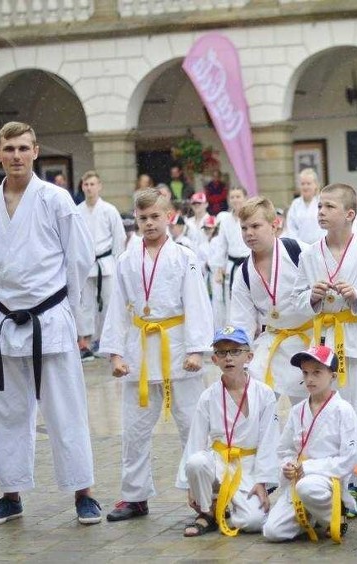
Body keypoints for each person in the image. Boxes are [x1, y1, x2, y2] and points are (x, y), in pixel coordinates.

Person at [0, 121, 101, 527]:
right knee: (7, 413)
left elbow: (79, 260)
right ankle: (10, 494)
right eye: (8, 148)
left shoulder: (55, 199)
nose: (16, 155)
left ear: (35, 151)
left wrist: (70, 313)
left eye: (23, 148)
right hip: (5, 322)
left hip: (50, 318)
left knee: (66, 410)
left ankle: (84, 492)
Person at [100, 187, 213, 522]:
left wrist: (196, 349)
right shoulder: (126, 259)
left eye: (155, 217)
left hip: (178, 349)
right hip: (139, 351)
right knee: (134, 429)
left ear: (169, 217)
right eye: (142, 217)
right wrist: (115, 354)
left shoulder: (185, 257)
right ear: (134, 219)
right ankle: (134, 496)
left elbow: (197, 303)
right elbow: (117, 308)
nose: (149, 223)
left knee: (193, 424)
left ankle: (204, 495)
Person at [293, 183, 357, 516]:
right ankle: (326, 484)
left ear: (350, 214)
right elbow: (294, 302)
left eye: (329, 206)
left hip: (355, 340)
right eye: (319, 206)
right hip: (322, 344)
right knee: (324, 414)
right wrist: (311, 297)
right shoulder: (309, 254)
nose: (321, 212)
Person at [179, 326, 280, 537]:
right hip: (218, 461)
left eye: (235, 351)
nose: (229, 358)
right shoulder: (208, 396)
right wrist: (192, 483)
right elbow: (195, 440)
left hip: (248, 465)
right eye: (222, 352)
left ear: (249, 356)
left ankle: (226, 507)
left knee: (251, 522)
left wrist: (262, 482)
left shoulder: (264, 394)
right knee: (196, 462)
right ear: (214, 359)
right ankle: (207, 512)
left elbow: (270, 441)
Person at [262, 344, 357, 542]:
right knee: (273, 532)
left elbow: (350, 458)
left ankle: (334, 516)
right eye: (305, 373)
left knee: (307, 487)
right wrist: (288, 465)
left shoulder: (344, 410)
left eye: (317, 372)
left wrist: (307, 467)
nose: (310, 379)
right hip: (298, 478)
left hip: (326, 481)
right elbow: (284, 449)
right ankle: (309, 515)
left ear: (333, 375)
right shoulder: (298, 410)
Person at [230, 197, 312, 405]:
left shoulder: (299, 251)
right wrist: (238, 356)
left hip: (307, 340)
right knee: (257, 403)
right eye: (244, 228)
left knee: (306, 410)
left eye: (256, 226)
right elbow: (242, 320)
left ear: (274, 224)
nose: (249, 233)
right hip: (273, 339)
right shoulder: (244, 272)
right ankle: (266, 437)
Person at [76, 170, 126, 361]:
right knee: (85, 306)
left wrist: (118, 263)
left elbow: (119, 239)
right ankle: (86, 344)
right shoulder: (77, 210)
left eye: (92, 184)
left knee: (109, 305)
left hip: (106, 263)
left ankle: (108, 344)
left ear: (99, 186)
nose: (89, 188)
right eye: (86, 185)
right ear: (82, 187)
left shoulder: (109, 210)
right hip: (86, 264)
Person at [210, 187, 250, 327]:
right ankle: (233, 333)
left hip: (249, 262)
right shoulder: (225, 220)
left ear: (245, 198)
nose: (235, 200)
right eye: (232, 197)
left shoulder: (250, 217)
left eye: (238, 196)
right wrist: (219, 268)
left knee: (251, 298)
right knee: (231, 300)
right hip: (232, 265)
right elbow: (222, 245)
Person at [286, 168, 326, 245]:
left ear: (315, 185)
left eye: (308, 183)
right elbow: (290, 226)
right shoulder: (295, 204)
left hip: (320, 245)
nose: (305, 187)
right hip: (300, 247)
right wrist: (297, 244)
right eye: (303, 184)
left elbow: (326, 225)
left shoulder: (322, 202)